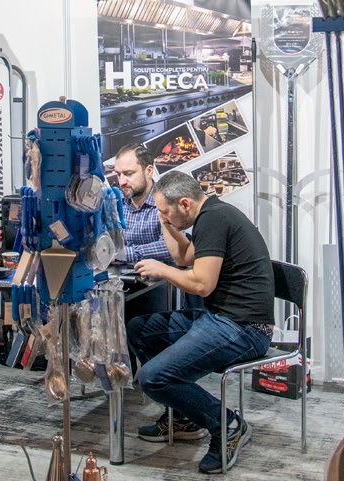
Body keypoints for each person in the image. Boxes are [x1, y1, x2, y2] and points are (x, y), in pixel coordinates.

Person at [130, 170, 274, 474]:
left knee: (152, 378)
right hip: (222, 318)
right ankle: (184, 417)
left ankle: (227, 425)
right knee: (140, 330)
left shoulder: (214, 219)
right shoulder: (211, 214)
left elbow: (201, 285)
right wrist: (166, 222)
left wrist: (160, 269)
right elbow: (183, 257)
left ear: (184, 203)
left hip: (245, 328)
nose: (162, 216)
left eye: (166, 211)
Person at [112, 144, 171, 265]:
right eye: (118, 174)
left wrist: (124, 254)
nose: (121, 182)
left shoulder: (168, 201)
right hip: (119, 274)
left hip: (159, 276)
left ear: (149, 171)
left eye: (128, 173)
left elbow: (171, 247)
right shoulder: (115, 202)